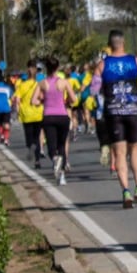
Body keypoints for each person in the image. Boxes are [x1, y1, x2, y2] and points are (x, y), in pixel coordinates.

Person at [91, 30, 137, 208]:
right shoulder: (136, 61)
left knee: (119, 153)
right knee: (135, 149)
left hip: (113, 112)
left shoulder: (102, 65)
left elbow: (93, 91)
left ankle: (126, 192)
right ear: (124, 42)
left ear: (109, 44)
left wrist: (105, 92)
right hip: (133, 109)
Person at [33, 56, 76, 186]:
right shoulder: (63, 82)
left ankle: (55, 159)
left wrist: (42, 100)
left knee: (52, 147)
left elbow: (33, 100)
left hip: (48, 117)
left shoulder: (42, 83)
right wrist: (66, 101)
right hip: (62, 116)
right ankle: (62, 176)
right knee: (61, 145)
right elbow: (73, 99)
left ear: (46, 68)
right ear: (57, 68)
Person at [13, 60, 44, 169]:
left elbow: (17, 99)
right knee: (37, 137)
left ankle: (31, 146)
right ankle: (37, 161)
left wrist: (17, 112)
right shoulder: (39, 84)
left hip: (26, 115)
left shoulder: (22, 85)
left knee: (29, 139)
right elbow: (42, 97)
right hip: (39, 113)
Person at [0, 76, 15, 146]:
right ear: (4, 81)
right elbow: (12, 98)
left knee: (0, 123)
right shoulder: (7, 88)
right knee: (7, 124)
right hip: (6, 107)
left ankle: (2, 136)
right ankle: (6, 140)